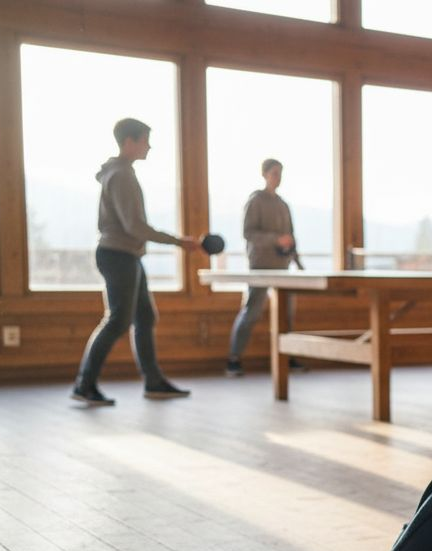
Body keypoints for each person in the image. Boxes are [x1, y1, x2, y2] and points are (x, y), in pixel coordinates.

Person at [72, 118, 200, 406]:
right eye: (145, 140)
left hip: (126, 255)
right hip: (118, 255)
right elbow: (135, 227)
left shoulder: (119, 172)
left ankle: (154, 382)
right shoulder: (122, 175)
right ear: (129, 142)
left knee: (144, 317)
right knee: (118, 320)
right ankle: (84, 384)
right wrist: (180, 242)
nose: (149, 146)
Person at [226, 158, 304, 377]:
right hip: (260, 265)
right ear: (265, 174)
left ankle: (288, 356)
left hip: (283, 266)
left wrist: (297, 261)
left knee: (286, 314)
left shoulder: (283, 204)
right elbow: (248, 233)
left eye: (281, 173)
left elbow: (291, 236)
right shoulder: (255, 201)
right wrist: (275, 240)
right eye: (274, 173)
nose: (278, 177)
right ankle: (234, 358)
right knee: (251, 311)